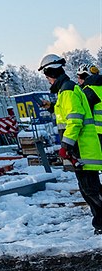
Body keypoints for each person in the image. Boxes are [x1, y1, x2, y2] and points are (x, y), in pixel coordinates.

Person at [43, 54, 102, 233]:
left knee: (91, 189)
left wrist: (66, 146)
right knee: (88, 189)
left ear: (51, 74)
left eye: (47, 78)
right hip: (80, 148)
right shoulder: (67, 90)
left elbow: (75, 120)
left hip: (82, 149)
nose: (48, 82)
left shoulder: (68, 90)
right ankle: (99, 224)